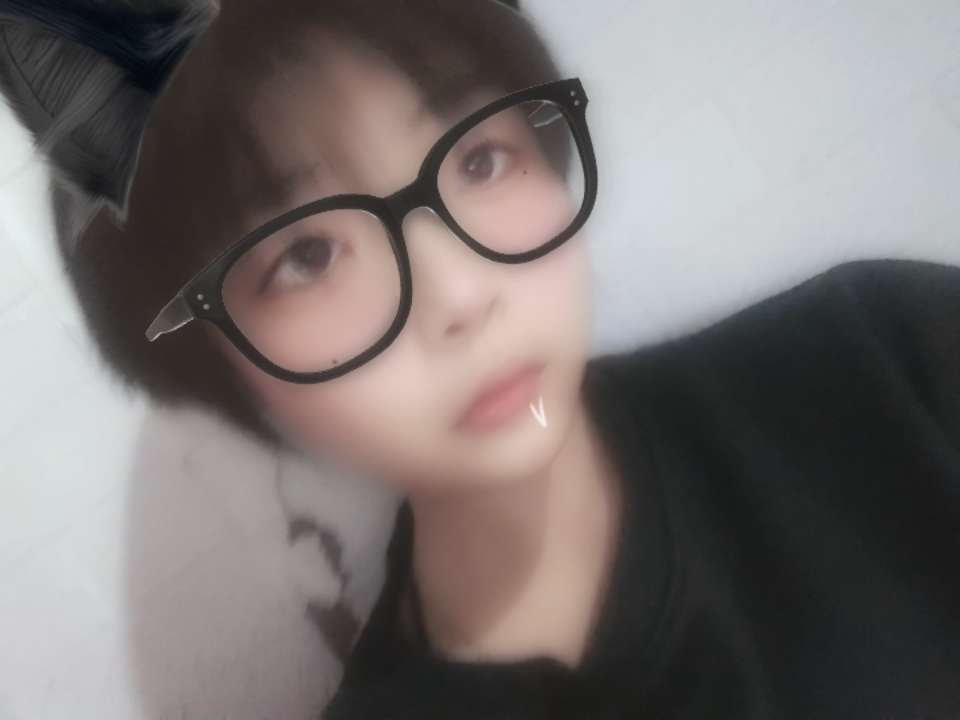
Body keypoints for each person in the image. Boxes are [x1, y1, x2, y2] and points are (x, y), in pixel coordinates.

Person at [1, 0, 958, 718]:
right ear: (218, 361)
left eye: (478, 159)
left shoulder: (890, 364)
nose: (461, 296)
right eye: (309, 254)